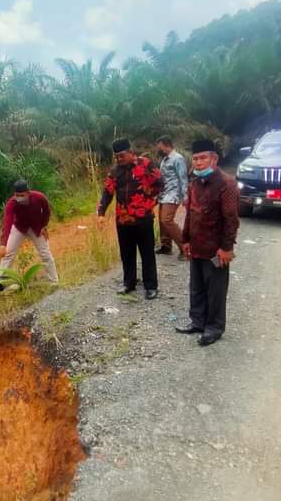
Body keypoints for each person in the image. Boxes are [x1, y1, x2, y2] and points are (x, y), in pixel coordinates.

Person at [176, 139, 240, 346]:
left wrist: (227, 248)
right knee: (196, 287)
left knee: (215, 290)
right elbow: (190, 215)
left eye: (203, 158)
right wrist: (185, 240)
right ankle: (197, 321)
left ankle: (214, 327)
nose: (199, 163)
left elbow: (231, 219)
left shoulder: (226, 184)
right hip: (196, 245)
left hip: (216, 249)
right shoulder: (195, 183)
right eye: (195, 159)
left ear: (215, 159)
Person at [97, 138, 163, 299]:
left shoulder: (146, 164)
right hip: (123, 220)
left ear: (131, 153)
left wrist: (150, 201)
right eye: (117, 157)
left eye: (122, 155)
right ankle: (129, 283)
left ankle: (151, 286)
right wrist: (101, 213)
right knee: (127, 253)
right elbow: (107, 192)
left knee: (147, 252)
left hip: (143, 218)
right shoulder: (114, 171)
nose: (119, 159)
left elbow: (160, 183)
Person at [0, 180, 58, 294]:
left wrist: (44, 226)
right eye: (17, 195)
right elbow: (7, 222)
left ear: (28, 192)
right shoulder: (12, 203)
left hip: (36, 228)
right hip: (19, 228)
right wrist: (3, 244)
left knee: (45, 253)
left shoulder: (39, 197)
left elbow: (47, 211)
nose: (19, 198)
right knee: (8, 253)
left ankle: (54, 281)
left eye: (22, 195)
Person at [155, 135, 189, 259]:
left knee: (167, 220)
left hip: (173, 194)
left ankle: (185, 248)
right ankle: (166, 246)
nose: (159, 150)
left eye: (160, 147)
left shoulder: (178, 159)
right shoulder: (164, 159)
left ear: (167, 145)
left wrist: (185, 196)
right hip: (164, 194)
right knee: (161, 221)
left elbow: (183, 178)